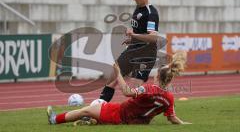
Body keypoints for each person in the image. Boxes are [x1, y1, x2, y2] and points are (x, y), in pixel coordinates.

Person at [47, 51, 192, 125]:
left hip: (120, 114)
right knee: (96, 109)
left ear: (157, 77)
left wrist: (118, 73)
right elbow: (172, 118)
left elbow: (127, 93)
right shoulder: (169, 98)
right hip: (136, 121)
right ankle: (92, 120)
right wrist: (183, 123)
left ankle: (55, 119)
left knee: (88, 109)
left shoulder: (148, 89)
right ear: (170, 79)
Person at [99, 0, 161, 102]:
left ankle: (141, 113)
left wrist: (134, 34)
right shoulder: (137, 9)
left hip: (146, 54)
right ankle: (98, 108)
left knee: (133, 89)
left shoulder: (151, 13)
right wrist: (131, 38)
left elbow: (153, 37)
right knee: (112, 77)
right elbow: (138, 31)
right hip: (133, 50)